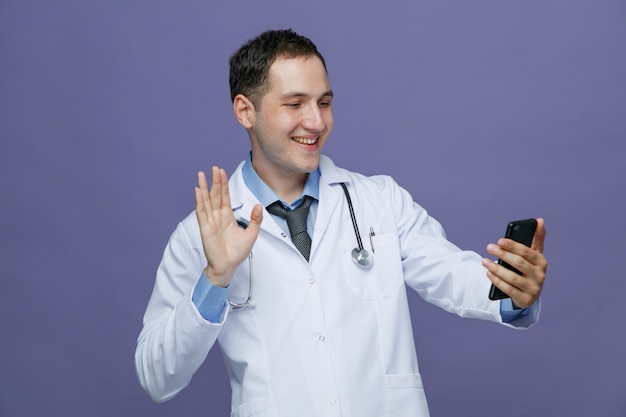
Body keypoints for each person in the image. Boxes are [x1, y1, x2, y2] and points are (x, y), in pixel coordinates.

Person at [135, 29, 547, 417]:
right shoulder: (200, 235)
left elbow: (452, 273)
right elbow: (157, 375)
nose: (316, 122)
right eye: (295, 104)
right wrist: (216, 278)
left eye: (324, 102)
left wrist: (512, 290)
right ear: (246, 111)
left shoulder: (379, 200)